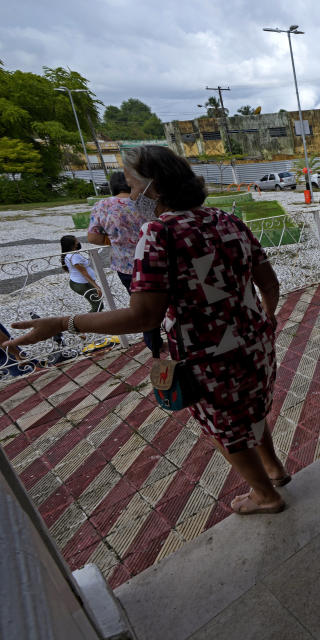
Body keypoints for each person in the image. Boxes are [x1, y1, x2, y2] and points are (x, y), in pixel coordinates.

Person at [6, 145, 289, 515]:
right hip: (254, 343)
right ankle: (274, 468)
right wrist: (266, 320)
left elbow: (143, 318)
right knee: (249, 409)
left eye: (134, 184)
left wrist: (63, 323)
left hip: (207, 355)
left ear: (154, 188)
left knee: (223, 427)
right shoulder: (227, 220)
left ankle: (265, 495)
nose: (132, 193)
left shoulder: (159, 234)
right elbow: (270, 283)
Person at [87, 171, 162, 351]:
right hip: (156, 259)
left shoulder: (102, 206)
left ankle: (154, 346)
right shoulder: (144, 202)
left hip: (127, 266)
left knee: (141, 308)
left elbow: (93, 237)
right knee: (167, 300)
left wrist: (113, 239)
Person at [61, 235, 104, 313]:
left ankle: (95, 321)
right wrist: (97, 287)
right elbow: (84, 273)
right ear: (72, 244)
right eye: (76, 241)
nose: (78, 242)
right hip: (81, 284)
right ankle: (87, 322)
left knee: (98, 304)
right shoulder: (74, 257)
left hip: (83, 283)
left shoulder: (71, 254)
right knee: (98, 306)